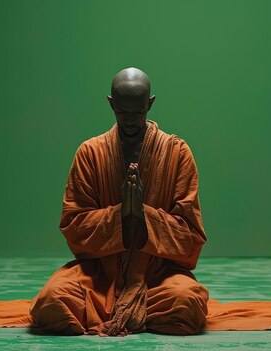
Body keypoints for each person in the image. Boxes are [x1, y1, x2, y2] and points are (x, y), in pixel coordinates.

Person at [28, 67, 209, 336]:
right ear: (111, 104)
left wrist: (144, 215)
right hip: (100, 274)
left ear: (150, 103)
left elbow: (191, 235)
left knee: (185, 303)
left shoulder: (177, 152)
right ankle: (135, 313)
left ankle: (128, 310)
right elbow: (73, 226)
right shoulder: (90, 153)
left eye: (138, 112)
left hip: (158, 274)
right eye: (122, 113)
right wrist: (120, 214)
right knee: (52, 301)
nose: (130, 120)